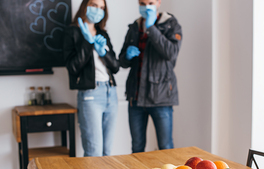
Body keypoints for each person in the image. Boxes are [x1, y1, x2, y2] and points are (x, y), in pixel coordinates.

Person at [119, 0, 182, 153]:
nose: (146, 6)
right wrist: (127, 56)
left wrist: (151, 28)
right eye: (142, 2)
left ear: (159, 2)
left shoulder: (171, 24)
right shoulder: (134, 27)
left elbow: (171, 53)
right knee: (137, 147)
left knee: (166, 147)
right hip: (136, 97)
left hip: (161, 97)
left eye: (150, 2)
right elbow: (122, 62)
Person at [63, 0, 119, 156]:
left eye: (102, 8)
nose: (98, 10)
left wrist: (103, 53)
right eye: (94, 5)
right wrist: (87, 43)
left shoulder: (103, 34)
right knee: (94, 152)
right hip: (90, 94)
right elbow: (72, 67)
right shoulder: (72, 32)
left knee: (107, 152)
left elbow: (115, 66)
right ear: (85, 6)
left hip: (111, 92)